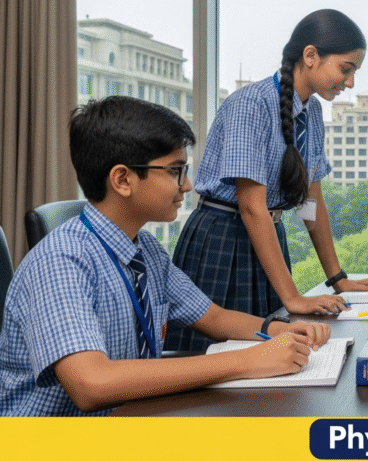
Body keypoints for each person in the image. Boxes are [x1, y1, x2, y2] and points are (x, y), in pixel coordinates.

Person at [0, 97, 331, 416]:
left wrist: (280, 330)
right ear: (123, 179)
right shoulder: (61, 261)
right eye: (175, 170)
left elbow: (214, 318)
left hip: (130, 422)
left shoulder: (144, 250)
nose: (187, 185)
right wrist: (248, 360)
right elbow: (91, 384)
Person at [166, 9, 368, 351]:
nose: (351, 82)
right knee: (217, 365)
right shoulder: (250, 104)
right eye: (346, 69)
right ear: (310, 56)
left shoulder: (311, 111)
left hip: (268, 238)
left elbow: (310, 204)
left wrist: (338, 279)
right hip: (224, 239)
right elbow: (252, 207)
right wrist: (293, 297)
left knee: (271, 358)